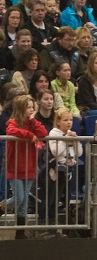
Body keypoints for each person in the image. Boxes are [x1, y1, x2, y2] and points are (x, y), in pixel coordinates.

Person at [5, 95, 48, 239]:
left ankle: (20, 234)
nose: (31, 110)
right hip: (15, 166)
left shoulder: (32, 123)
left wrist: (33, 121)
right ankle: (2, 207)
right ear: (20, 109)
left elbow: (43, 133)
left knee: (24, 202)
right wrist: (29, 135)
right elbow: (11, 131)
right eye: (28, 107)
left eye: (32, 107)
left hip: (30, 166)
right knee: (19, 197)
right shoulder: (12, 122)